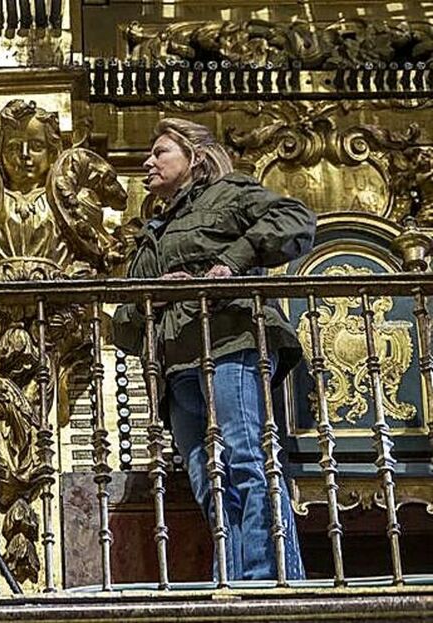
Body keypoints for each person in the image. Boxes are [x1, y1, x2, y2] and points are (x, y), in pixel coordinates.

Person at [111, 118, 315, 581]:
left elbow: (296, 221)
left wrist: (228, 265)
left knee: (247, 460)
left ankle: (269, 579)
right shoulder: (151, 232)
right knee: (209, 482)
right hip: (175, 368)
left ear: (194, 157)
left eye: (160, 152)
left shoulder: (230, 193)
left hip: (230, 344)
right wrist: (152, 298)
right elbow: (124, 323)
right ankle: (233, 578)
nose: (148, 162)